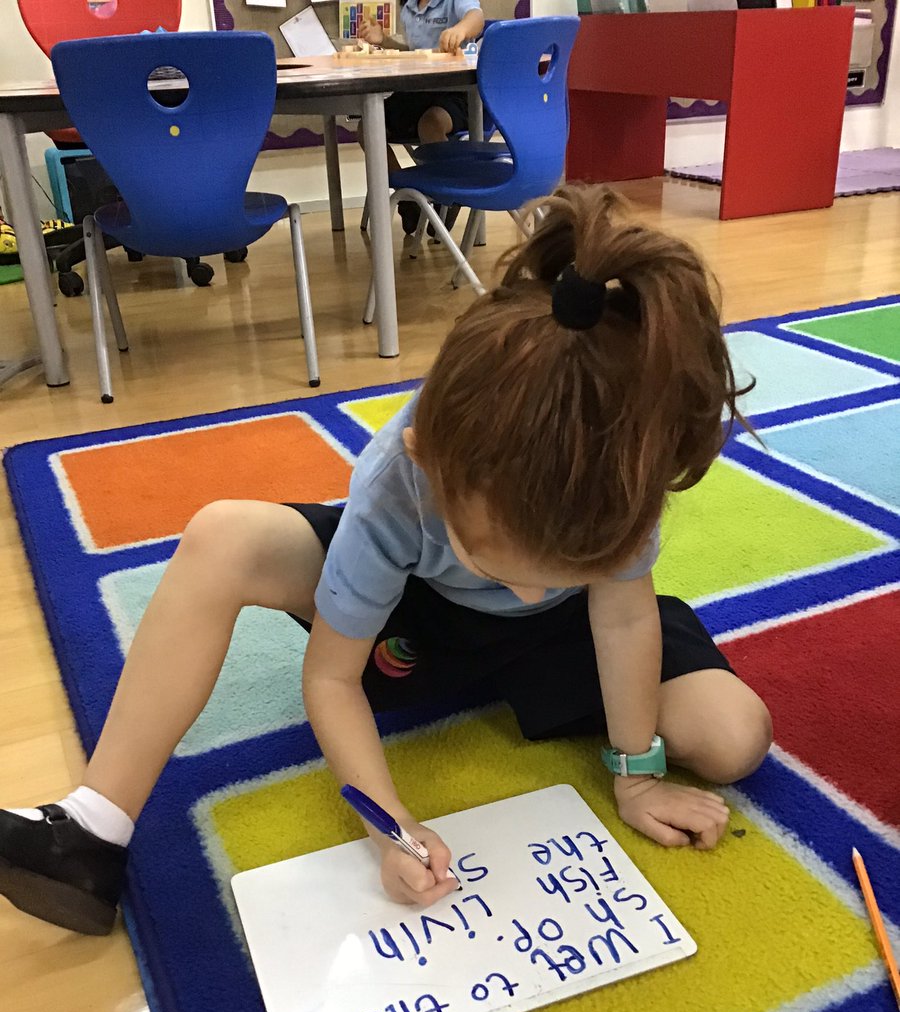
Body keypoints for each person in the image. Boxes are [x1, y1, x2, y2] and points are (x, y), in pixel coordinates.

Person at [0, 185, 772, 936]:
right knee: (223, 534)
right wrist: (387, 820)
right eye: (506, 562)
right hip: (415, 620)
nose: (529, 585)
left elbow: (624, 614)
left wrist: (636, 775)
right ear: (428, 462)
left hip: (560, 637)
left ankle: (555, 669)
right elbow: (332, 678)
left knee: (734, 738)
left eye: (564, 566)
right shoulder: (400, 479)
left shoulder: (619, 467)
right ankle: (92, 825)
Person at [356, 0, 485, 233]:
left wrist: (461, 29)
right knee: (367, 128)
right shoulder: (409, 9)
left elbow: (476, 17)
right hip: (417, 94)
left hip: (457, 94)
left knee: (431, 123)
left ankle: (446, 196)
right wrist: (384, 40)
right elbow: (415, 53)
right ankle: (407, 196)